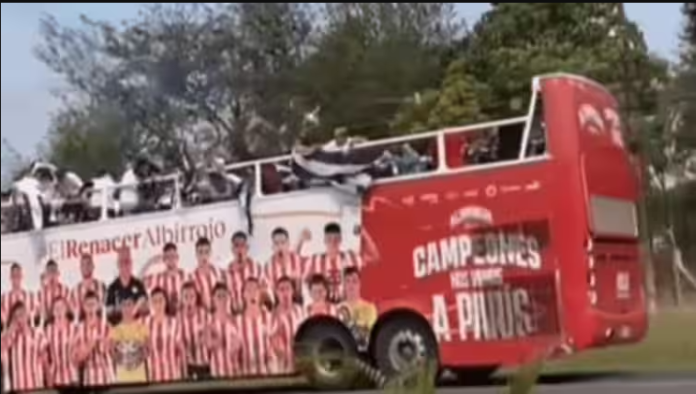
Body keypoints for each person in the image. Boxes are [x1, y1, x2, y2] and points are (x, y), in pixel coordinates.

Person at [302, 223, 366, 303]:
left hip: (345, 305)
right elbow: (302, 276)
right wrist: (300, 240)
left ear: (340, 240)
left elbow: (374, 257)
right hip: (324, 306)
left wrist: (364, 234)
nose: (332, 242)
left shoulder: (350, 257)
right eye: (329, 239)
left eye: (336, 239)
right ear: (324, 240)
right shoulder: (315, 260)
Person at [0, 302, 47, 392]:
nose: (19, 319)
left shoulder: (38, 335)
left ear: (27, 315)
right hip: (18, 387)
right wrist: (10, 330)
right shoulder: (11, 337)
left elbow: (45, 363)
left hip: (36, 385)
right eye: (15, 317)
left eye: (21, 314)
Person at [236, 278, 275, 377]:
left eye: (255, 289)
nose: (252, 293)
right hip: (245, 375)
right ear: (243, 294)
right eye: (248, 290)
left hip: (267, 374)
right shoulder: (238, 321)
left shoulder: (269, 318)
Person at [74, 291, 113, 387]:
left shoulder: (107, 326)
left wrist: (104, 342)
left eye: (93, 304)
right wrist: (91, 343)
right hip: (89, 378)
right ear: (83, 307)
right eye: (88, 305)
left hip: (106, 376)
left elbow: (109, 351)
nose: (91, 308)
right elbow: (78, 358)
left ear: (98, 305)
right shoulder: (79, 329)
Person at [144, 288, 184, 383]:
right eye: (155, 301)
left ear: (166, 301)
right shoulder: (145, 323)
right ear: (151, 304)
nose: (158, 304)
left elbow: (180, 348)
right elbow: (143, 349)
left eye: (161, 300)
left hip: (172, 374)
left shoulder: (174, 322)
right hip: (153, 375)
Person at [109, 294, 148, 385]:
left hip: (140, 375)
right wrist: (124, 356)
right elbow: (112, 353)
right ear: (120, 307)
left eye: (129, 304)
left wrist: (139, 350)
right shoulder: (115, 330)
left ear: (134, 306)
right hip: (123, 376)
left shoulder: (142, 327)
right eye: (124, 305)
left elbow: (148, 351)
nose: (126, 308)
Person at [270, 276, 305, 374]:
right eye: (281, 289)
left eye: (288, 288)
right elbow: (272, 342)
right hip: (282, 366)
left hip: (301, 362)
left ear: (293, 291)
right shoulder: (272, 316)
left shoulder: (300, 311)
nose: (285, 293)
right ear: (276, 293)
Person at [206, 284, 241, 379]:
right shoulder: (209, 320)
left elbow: (240, 344)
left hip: (235, 369)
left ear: (229, 297)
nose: (222, 299)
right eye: (218, 296)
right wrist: (216, 342)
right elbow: (208, 344)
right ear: (213, 299)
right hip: (217, 369)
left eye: (224, 295)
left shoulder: (236, 320)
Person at [225, 232, 266, 313]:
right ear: (232, 249)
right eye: (236, 246)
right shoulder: (227, 272)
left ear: (247, 248)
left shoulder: (256, 268)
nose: (239, 249)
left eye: (242, 245)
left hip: (255, 313)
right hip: (237, 314)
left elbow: (264, 290)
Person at [106, 248, 148, 324]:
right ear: (117, 264)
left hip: (137, 329)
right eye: (122, 261)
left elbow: (146, 311)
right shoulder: (112, 288)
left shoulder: (139, 285)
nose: (125, 265)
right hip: (120, 331)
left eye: (127, 261)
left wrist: (136, 309)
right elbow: (110, 316)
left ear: (131, 263)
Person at [178, 282, 210, 380]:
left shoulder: (204, 314)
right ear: (181, 298)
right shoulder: (178, 317)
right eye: (186, 296)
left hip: (206, 362)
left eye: (192, 296)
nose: (189, 300)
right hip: (188, 364)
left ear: (196, 297)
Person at [44, 297, 78, 388]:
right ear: (52, 311)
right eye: (56, 308)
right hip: (54, 376)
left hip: (72, 376)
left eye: (62, 307)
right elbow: (44, 354)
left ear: (66, 309)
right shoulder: (48, 329)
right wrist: (48, 375)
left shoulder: (74, 328)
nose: (59, 310)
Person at [141, 243, 186, 312]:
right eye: (168, 257)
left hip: (182, 316)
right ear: (164, 259)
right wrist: (151, 262)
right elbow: (139, 281)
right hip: (165, 318)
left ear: (177, 257)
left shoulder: (185, 276)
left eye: (173, 256)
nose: (171, 259)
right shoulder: (158, 278)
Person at [265, 228, 304, 298]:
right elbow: (272, 291)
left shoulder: (297, 260)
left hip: (297, 300)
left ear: (288, 244)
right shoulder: (269, 266)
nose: (280, 247)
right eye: (276, 243)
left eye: (283, 243)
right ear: (272, 247)